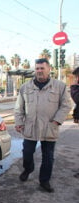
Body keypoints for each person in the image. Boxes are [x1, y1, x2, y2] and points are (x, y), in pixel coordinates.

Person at [14, 58, 72, 193]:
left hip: (49, 127)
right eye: (37, 68)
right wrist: (18, 122)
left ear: (49, 69)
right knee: (27, 153)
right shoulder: (25, 87)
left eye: (42, 68)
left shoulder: (59, 86)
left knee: (48, 157)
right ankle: (28, 169)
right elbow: (18, 108)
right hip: (30, 127)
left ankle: (44, 180)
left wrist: (57, 120)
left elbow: (66, 105)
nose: (39, 71)